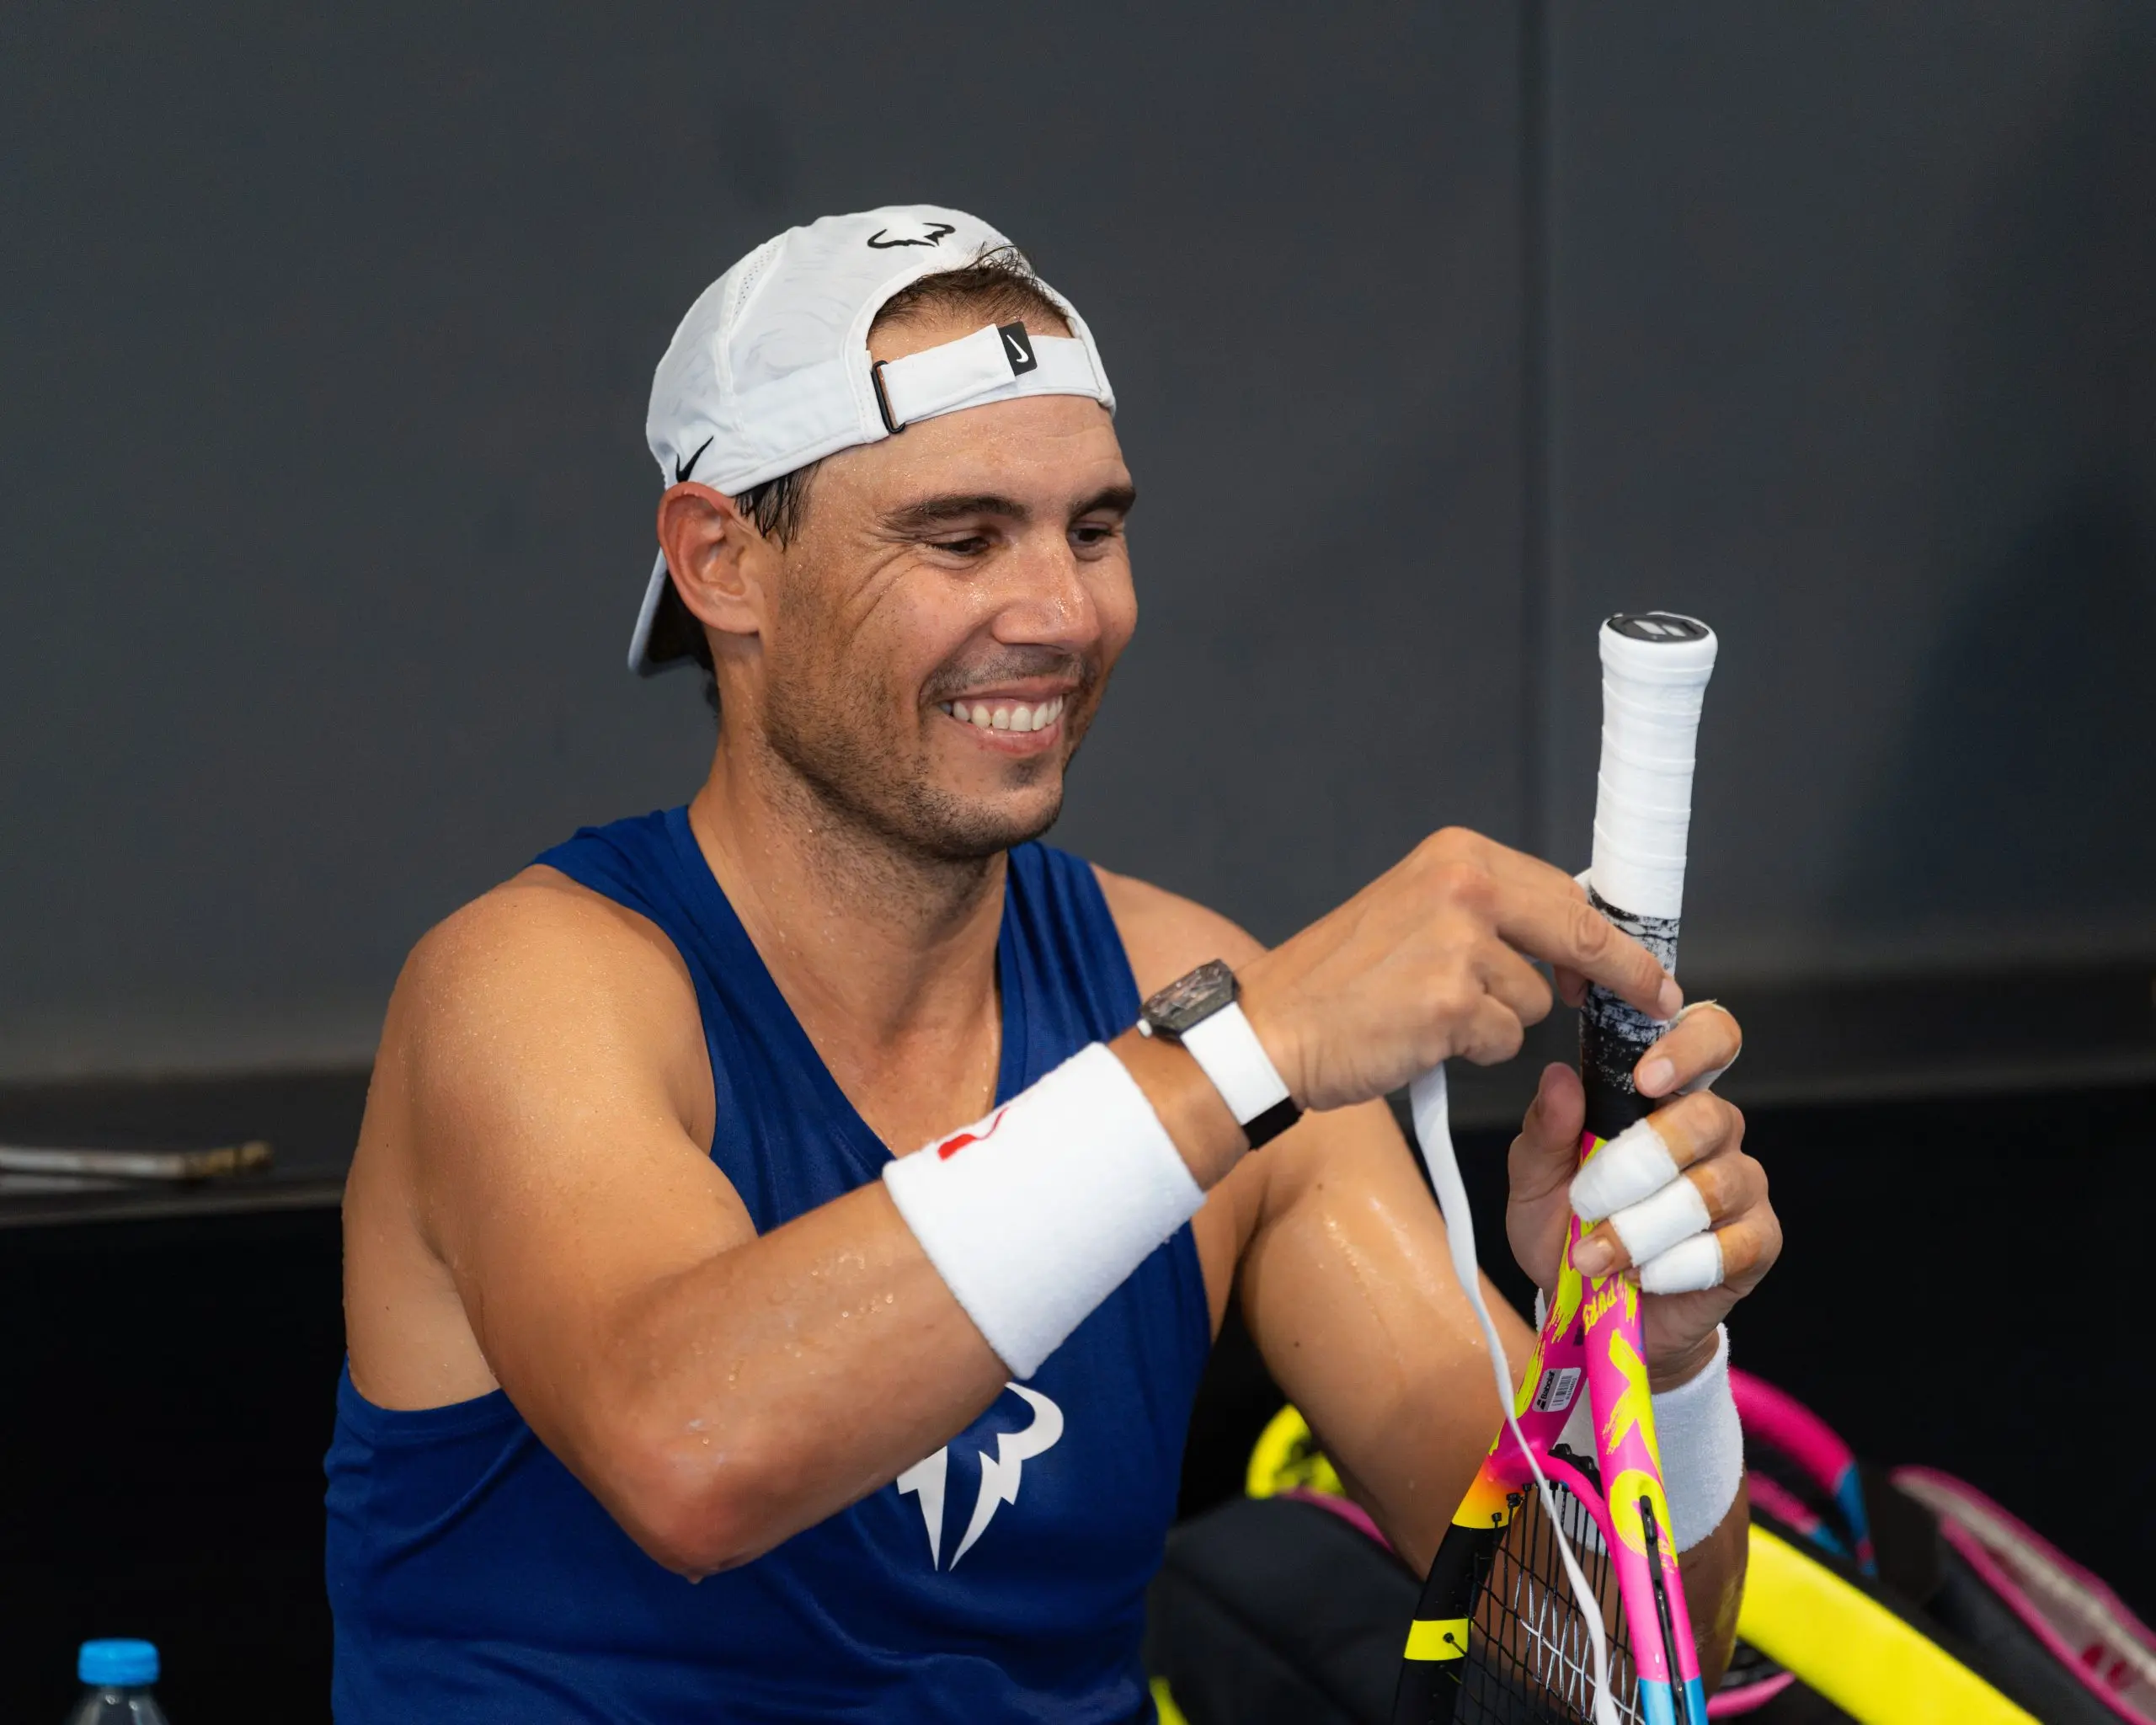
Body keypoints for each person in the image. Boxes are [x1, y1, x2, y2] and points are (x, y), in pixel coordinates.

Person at [328, 206, 1776, 1722]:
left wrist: (1658, 1371)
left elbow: (1601, 1667)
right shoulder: (532, 988)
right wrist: (1247, 1051)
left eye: (1092, 531)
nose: (1065, 614)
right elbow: (692, 1453)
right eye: (961, 539)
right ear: (722, 560)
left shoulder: (1189, 993)